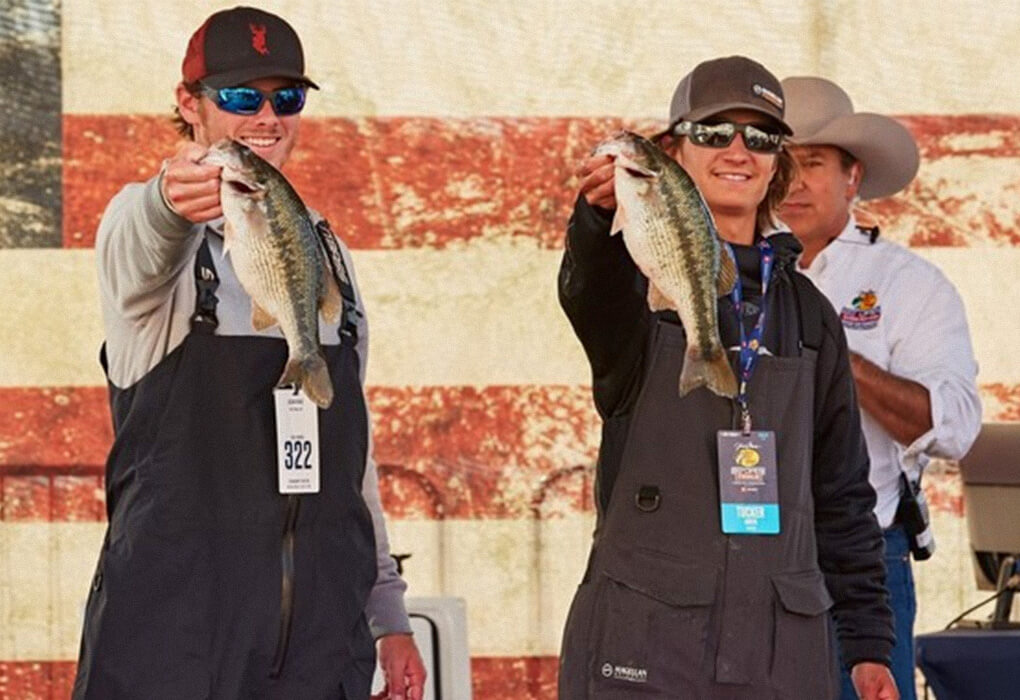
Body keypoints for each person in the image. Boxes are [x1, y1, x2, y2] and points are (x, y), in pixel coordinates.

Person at [72, 7, 426, 699]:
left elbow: (354, 458)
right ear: (189, 106)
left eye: (285, 98)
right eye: (239, 97)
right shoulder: (146, 230)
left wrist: (388, 613)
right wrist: (168, 201)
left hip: (321, 648)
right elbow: (144, 234)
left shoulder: (328, 250)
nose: (266, 117)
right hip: (172, 643)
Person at [557, 56, 899, 699]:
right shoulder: (635, 285)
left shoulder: (809, 314)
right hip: (645, 644)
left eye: (762, 136)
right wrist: (596, 220)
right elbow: (590, 287)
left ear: (777, 162)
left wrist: (870, 644)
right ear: (673, 153)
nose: (738, 150)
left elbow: (843, 492)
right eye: (714, 133)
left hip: (783, 653)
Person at [779, 76, 982, 700]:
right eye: (779, 162)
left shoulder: (907, 284)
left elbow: (955, 427)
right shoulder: (722, 272)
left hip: (863, 557)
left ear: (853, 176)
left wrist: (838, 357)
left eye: (812, 163)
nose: (793, 181)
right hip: (740, 552)